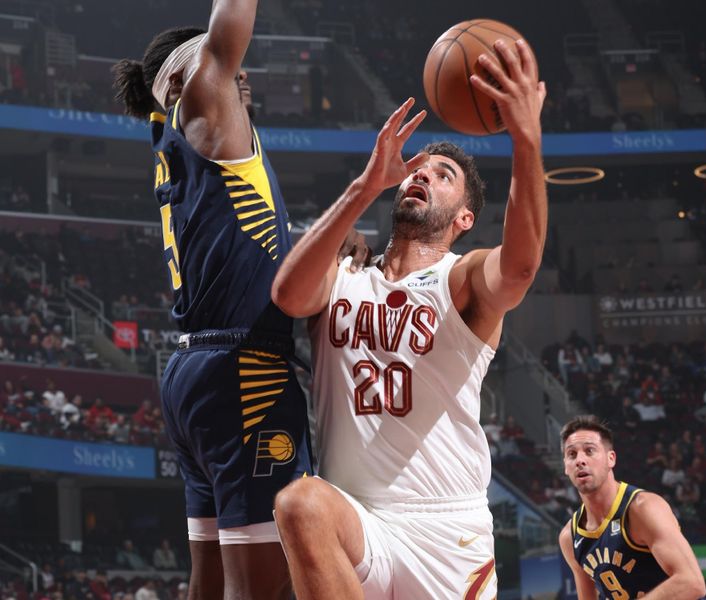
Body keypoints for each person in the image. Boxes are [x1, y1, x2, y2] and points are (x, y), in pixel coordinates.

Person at [272, 38, 547, 599]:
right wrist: (363, 186)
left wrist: (526, 139)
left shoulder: (461, 277)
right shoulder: (344, 270)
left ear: (465, 217)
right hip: (360, 523)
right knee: (300, 503)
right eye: (417, 169)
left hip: (444, 530)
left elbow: (517, 270)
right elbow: (288, 296)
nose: (422, 175)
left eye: (444, 174)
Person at [112, 3, 365, 598]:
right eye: (220, 64)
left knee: (208, 578)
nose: (239, 73)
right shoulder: (203, 103)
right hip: (243, 370)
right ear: (182, 79)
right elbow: (228, 33)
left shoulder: (181, 143)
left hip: (195, 371)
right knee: (265, 586)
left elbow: (245, 249)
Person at [558, 416, 706, 599]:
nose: (580, 460)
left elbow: (692, 582)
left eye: (589, 451)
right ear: (565, 466)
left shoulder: (643, 508)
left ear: (610, 459)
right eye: (571, 454)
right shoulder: (569, 537)